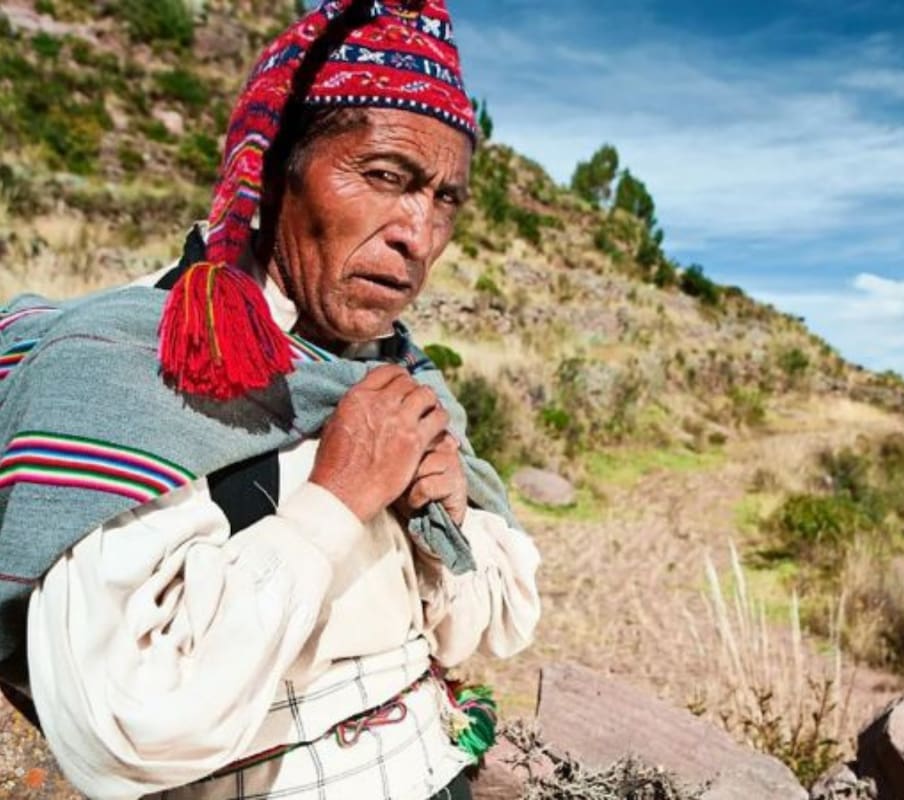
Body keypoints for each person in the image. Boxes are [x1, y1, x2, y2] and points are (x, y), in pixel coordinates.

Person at [0, 1, 540, 798]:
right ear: (275, 169)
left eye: (445, 200)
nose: (417, 234)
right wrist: (337, 498)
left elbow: (492, 628)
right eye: (386, 177)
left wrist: (451, 515)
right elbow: (117, 731)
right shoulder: (133, 368)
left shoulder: (397, 374)